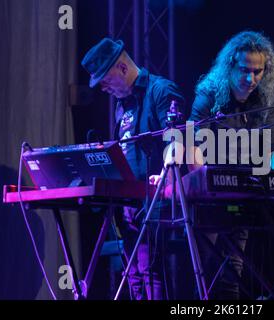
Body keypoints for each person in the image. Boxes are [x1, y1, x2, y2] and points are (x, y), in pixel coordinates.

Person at [187, 30, 274, 299]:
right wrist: (204, 188)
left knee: (232, 273)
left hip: (244, 196)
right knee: (202, 274)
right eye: (245, 70)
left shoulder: (265, 102)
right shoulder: (208, 95)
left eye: (258, 71)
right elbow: (191, 145)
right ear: (230, 66)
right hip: (209, 200)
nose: (251, 79)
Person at [81, 38, 184, 300]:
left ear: (123, 68)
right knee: (134, 275)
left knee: (150, 270)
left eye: (105, 79)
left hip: (154, 199)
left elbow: (179, 138)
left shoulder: (161, 91)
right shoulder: (121, 105)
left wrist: (167, 173)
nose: (103, 88)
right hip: (128, 201)